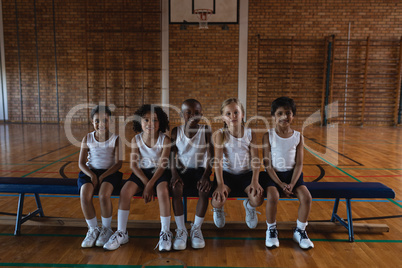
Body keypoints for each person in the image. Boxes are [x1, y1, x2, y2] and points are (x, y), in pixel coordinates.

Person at [103, 105, 172, 251]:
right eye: (146, 120)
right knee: (125, 191)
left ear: (161, 123)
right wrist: (147, 184)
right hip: (141, 173)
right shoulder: (136, 139)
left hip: (159, 173)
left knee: (163, 192)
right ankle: (122, 232)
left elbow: (163, 165)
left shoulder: (165, 140)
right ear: (139, 122)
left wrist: (151, 184)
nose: (150, 123)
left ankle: (165, 232)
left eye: (154, 120)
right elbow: (134, 166)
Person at [262, 96, 314, 249]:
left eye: (288, 113)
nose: (284, 117)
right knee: (273, 196)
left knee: (306, 197)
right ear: (273, 116)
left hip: (293, 176)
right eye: (280, 113)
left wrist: (291, 183)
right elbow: (267, 164)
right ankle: (271, 229)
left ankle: (300, 230)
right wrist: (280, 183)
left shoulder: (298, 137)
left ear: (293, 115)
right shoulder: (268, 136)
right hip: (274, 176)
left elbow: (299, 163)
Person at [211, 98, 267, 229]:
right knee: (216, 201)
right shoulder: (220, 134)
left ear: (242, 114)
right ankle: (218, 210)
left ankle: (249, 207)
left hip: (245, 174)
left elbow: (255, 159)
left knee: (257, 199)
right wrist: (220, 184)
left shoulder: (249, 133)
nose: (233, 116)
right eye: (228, 114)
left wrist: (255, 181)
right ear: (223, 117)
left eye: (236, 112)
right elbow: (218, 161)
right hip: (226, 174)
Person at [170, 99, 213, 250]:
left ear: (201, 115)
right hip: (182, 171)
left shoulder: (205, 130)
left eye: (196, 113)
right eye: (188, 112)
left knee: (204, 190)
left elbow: (211, 155)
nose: (192, 116)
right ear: (182, 114)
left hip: (200, 171)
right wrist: (174, 174)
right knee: (176, 189)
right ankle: (181, 230)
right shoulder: (176, 131)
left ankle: (196, 228)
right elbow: (171, 156)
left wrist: (207, 175)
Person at [78, 105, 123, 248]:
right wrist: (92, 175)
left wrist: (103, 176)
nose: (101, 124)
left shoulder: (116, 139)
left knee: (104, 195)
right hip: (90, 172)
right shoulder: (88, 138)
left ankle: (106, 229)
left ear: (110, 122)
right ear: (92, 122)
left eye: (105, 120)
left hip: (110, 172)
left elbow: (119, 163)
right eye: (97, 121)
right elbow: (81, 163)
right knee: (85, 196)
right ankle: (92, 229)